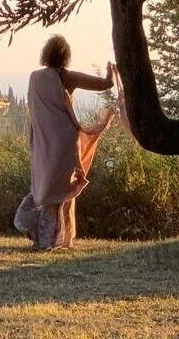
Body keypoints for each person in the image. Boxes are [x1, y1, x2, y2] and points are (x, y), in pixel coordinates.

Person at [14, 35, 116, 251]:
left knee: (46, 190)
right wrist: (111, 73)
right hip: (66, 143)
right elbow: (105, 85)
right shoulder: (67, 77)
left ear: (46, 54)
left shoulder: (34, 78)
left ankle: (49, 239)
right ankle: (61, 238)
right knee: (63, 191)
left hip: (43, 145)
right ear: (65, 57)